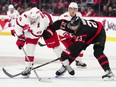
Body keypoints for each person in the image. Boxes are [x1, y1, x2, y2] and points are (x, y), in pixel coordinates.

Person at [49, 16, 114, 80]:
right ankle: (66, 66)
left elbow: (77, 45)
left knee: (98, 52)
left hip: (99, 33)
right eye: (72, 26)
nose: (73, 28)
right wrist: (50, 30)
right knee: (76, 51)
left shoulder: (82, 30)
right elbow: (59, 23)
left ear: (79, 25)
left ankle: (109, 72)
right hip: (89, 33)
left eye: (75, 27)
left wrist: (66, 52)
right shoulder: (71, 24)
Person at [14, 7, 60, 77]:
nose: (31, 20)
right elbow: (18, 25)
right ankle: (28, 66)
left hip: (47, 27)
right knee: (29, 47)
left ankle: (65, 62)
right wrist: (20, 37)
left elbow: (35, 34)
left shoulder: (41, 22)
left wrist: (23, 37)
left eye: (33, 19)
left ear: (37, 17)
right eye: (30, 18)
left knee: (55, 45)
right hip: (35, 30)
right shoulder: (24, 16)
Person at [57, 2, 86, 68]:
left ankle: (78, 61)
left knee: (81, 47)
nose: (73, 11)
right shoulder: (64, 17)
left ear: (77, 10)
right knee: (72, 50)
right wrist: (66, 34)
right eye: (71, 9)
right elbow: (58, 29)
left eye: (74, 9)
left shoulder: (79, 15)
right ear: (68, 9)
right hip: (64, 37)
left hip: (73, 36)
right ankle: (65, 63)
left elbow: (81, 25)